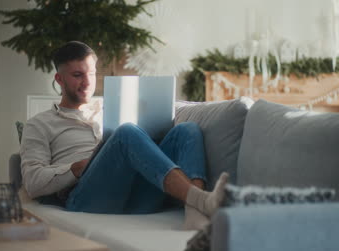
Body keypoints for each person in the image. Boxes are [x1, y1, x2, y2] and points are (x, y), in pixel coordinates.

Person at [20, 41, 228, 230]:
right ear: (59, 79)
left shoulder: (112, 107)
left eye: (91, 74)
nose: (87, 82)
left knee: (187, 130)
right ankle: (201, 200)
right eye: (77, 75)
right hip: (88, 197)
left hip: (137, 197)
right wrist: (75, 168)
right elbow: (32, 182)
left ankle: (195, 210)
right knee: (126, 131)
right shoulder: (39, 124)